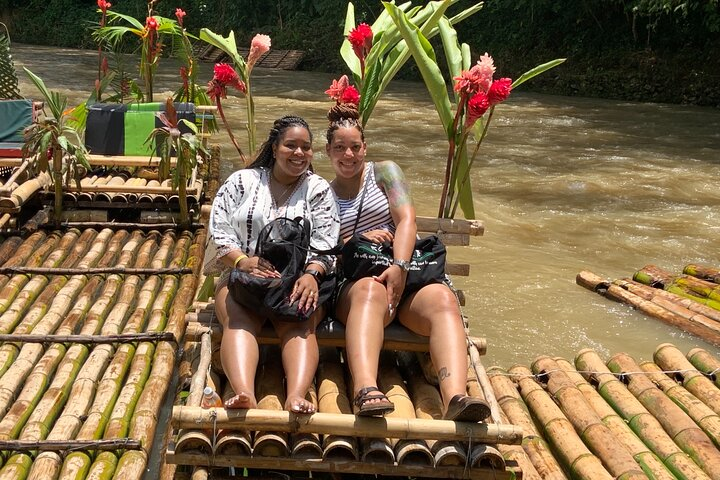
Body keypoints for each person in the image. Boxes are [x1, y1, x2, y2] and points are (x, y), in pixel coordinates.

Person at [326, 103, 490, 421]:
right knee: (370, 292)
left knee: (443, 298)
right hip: (356, 283)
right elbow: (322, 244)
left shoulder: (385, 172)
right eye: (340, 148)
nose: (348, 155)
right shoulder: (322, 191)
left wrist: (399, 267)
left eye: (355, 147)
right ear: (328, 151)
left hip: (404, 271)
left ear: (365, 147)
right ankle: (365, 389)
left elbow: (406, 221)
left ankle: (455, 397)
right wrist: (355, 240)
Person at [205, 115, 340, 414]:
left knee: (300, 324)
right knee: (239, 320)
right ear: (275, 147)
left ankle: (295, 395)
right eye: (291, 145)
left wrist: (312, 275)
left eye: (306, 147)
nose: (299, 153)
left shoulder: (317, 189)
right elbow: (219, 228)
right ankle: (244, 394)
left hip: (297, 279)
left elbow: (327, 239)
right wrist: (242, 261)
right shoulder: (243, 181)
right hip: (244, 277)